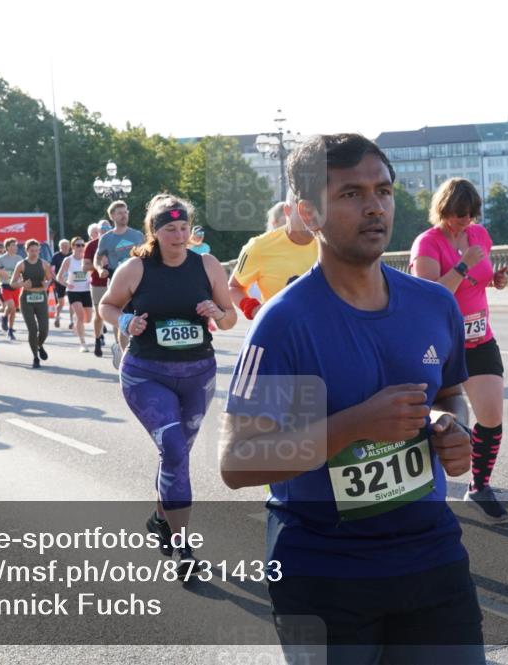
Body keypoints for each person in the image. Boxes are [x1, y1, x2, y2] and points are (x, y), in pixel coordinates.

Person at [219, 134, 483, 664]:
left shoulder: (433, 305)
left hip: (430, 554)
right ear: (307, 213)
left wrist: (450, 428)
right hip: (323, 569)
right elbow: (238, 461)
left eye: (383, 191)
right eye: (350, 194)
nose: (373, 207)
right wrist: (355, 424)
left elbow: (451, 395)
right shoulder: (286, 323)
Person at [100, 194, 237, 576]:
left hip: (198, 374)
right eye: (169, 229)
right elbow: (108, 306)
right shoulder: (135, 268)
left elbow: (230, 318)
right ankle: (183, 549)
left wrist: (217, 312)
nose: (178, 236)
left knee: (175, 458)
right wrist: (126, 323)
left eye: (183, 228)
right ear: (155, 233)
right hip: (147, 374)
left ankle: (162, 516)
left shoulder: (207, 265)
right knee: (175, 450)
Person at [411, 178, 508, 523]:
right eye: (457, 215)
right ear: (443, 211)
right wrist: (464, 264)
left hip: (480, 338)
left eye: (469, 215)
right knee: (434, 421)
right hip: (440, 343)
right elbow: (431, 296)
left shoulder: (480, 236)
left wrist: (495, 279)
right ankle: (423, 487)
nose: (464, 221)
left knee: (492, 416)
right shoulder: (427, 243)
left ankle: (479, 486)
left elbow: (480, 280)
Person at [228, 191, 318, 323]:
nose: (310, 217)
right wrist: (254, 309)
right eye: (304, 210)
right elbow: (234, 287)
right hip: (280, 333)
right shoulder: (258, 246)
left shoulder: (332, 242)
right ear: (287, 210)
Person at [96, 201, 145, 368]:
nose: (124, 215)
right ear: (112, 216)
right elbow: (97, 258)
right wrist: (99, 269)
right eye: (119, 213)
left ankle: (142, 352)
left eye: (125, 212)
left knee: (143, 316)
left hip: (140, 282)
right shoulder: (107, 238)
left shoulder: (138, 235)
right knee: (123, 319)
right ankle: (126, 357)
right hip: (119, 284)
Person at [10, 239, 54, 368]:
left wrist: (47, 284)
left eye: (36, 250)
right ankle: (35, 356)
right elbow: (13, 283)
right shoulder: (21, 264)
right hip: (26, 298)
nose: (34, 253)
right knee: (32, 329)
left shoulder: (44, 264)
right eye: (31, 250)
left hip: (41, 297)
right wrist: (22, 284)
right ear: (26, 250)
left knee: (44, 329)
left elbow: (49, 278)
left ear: (39, 250)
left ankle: (39, 345)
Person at [55, 236, 93, 352]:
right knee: (81, 316)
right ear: (73, 247)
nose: (81, 247)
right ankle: (83, 343)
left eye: (82, 245)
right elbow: (58, 276)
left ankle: (77, 320)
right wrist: (66, 284)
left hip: (86, 291)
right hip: (73, 291)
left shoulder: (87, 259)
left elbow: (92, 272)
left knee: (88, 319)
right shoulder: (68, 260)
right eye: (78, 245)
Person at [82, 220, 111, 357]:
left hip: (116, 282)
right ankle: (97, 339)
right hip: (98, 284)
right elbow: (85, 267)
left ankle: (119, 346)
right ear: (97, 232)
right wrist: (99, 265)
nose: (105, 230)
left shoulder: (116, 242)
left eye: (107, 228)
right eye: (102, 229)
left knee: (120, 315)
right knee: (99, 315)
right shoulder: (92, 245)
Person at [0, 238, 24, 340]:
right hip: (5, 286)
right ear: (7, 247)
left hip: (16, 286)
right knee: (11, 305)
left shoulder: (19, 258)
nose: (15, 247)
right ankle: (5, 318)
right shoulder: (0, 259)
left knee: (13, 310)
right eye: (13, 245)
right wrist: (0, 271)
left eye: (16, 245)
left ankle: (10, 329)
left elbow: (23, 272)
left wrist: (22, 281)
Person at [50, 239, 72, 329]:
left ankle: (72, 321)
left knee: (72, 302)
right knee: (61, 302)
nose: (65, 248)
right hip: (60, 282)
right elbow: (52, 269)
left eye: (67, 246)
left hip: (70, 281)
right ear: (60, 247)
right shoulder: (56, 256)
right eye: (63, 246)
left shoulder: (71, 255)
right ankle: (57, 317)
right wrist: (56, 279)